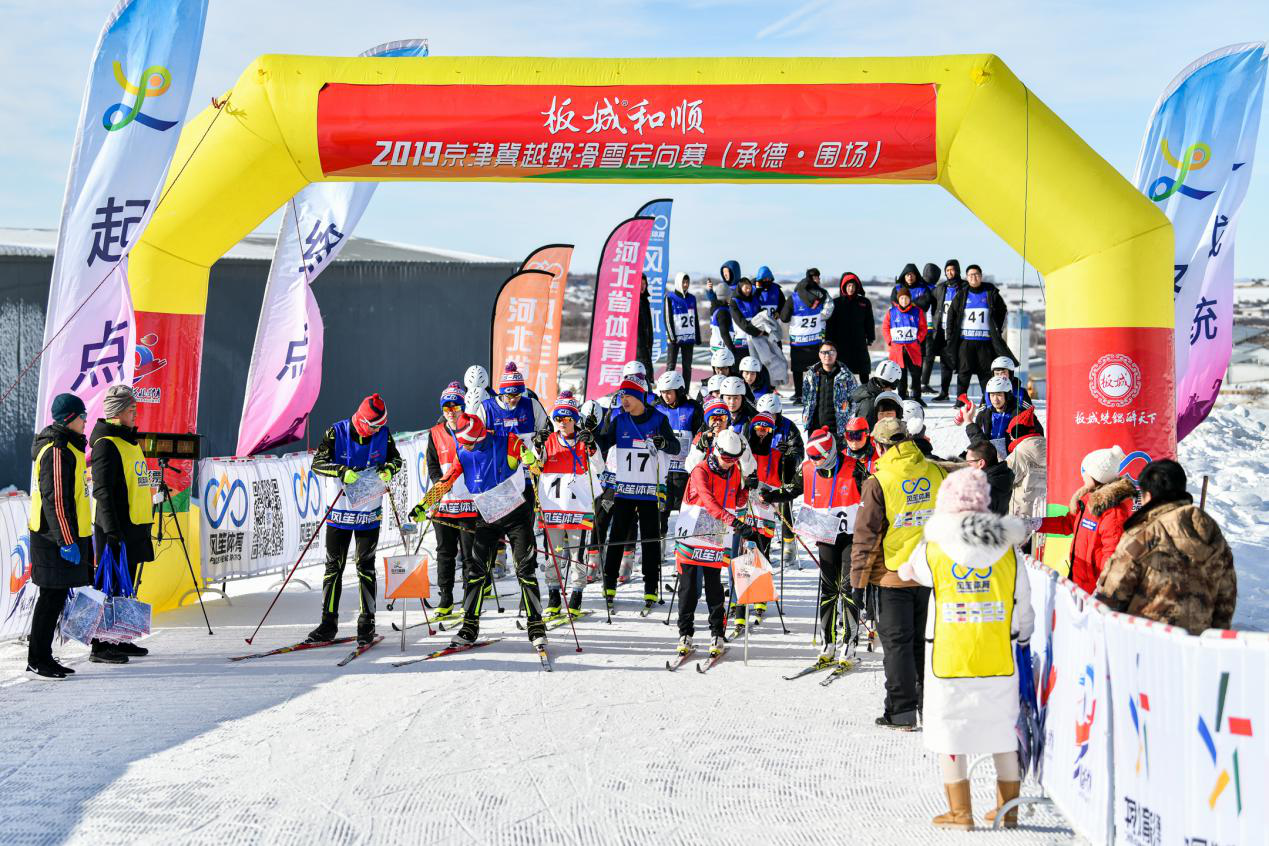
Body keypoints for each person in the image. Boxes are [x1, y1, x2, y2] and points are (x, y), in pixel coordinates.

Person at [898, 467, 1034, 830]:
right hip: (999, 655)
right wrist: (1023, 636)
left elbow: (913, 571)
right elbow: (1023, 601)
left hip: (950, 656)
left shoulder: (935, 549)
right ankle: (1008, 810)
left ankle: (960, 812)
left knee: (950, 732)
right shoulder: (1009, 551)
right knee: (1003, 730)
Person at [851, 418, 947, 730]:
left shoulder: (878, 481)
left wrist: (857, 583)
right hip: (931, 573)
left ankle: (901, 711)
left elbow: (866, 536)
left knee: (897, 646)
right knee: (924, 643)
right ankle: (930, 707)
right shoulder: (934, 471)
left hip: (892, 577)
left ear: (878, 446)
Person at [764, 426, 868, 666]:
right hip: (825, 535)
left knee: (848, 588)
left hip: (851, 536)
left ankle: (849, 641)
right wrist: (772, 496)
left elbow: (872, 495)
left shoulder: (854, 468)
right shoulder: (808, 468)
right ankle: (828, 642)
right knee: (829, 589)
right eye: (811, 457)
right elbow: (793, 489)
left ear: (830, 452)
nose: (814, 461)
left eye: (818, 457)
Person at [1096, 459, 1236, 634]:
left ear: (1148, 496)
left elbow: (1112, 595)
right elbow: (1226, 601)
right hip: (1196, 644)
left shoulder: (1143, 535)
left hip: (1145, 640)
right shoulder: (1214, 537)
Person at [308, 393, 403, 646]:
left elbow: (396, 460)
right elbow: (317, 463)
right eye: (374, 426)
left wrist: (389, 469)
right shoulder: (335, 432)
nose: (378, 430)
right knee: (334, 567)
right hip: (339, 512)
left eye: (381, 425)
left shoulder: (384, 434)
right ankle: (328, 623)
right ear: (362, 421)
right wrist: (340, 470)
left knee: (365, 566)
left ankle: (367, 622)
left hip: (369, 513)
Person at [446, 413, 547, 648]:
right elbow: (446, 480)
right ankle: (469, 626)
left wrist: (531, 460)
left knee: (525, 569)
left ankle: (536, 624)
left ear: (479, 436)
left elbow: (536, 468)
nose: (464, 446)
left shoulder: (508, 441)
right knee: (476, 571)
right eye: (462, 442)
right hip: (488, 517)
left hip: (516, 516)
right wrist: (424, 505)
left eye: (468, 442)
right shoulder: (463, 452)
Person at [594, 372, 681, 613]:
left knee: (650, 540)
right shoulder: (619, 420)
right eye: (622, 396)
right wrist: (592, 434)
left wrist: (664, 443)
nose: (624, 400)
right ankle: (609, 584)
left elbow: (675, 448)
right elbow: (603, 444)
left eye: (629, 396)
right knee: (617, 538)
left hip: (649, 491)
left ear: (640, 397)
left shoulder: (659, 419)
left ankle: (650, 587)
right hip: (625, 490)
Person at [27, 393, 94, 678]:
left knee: (54, 597)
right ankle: (38, 659)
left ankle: (43, 656)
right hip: (52, 538)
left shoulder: (70, 447)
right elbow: (55, 500)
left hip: (62, 535)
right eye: (82, 416)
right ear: (70, 419)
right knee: (50, 598)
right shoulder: (57, 449)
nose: (85, 421)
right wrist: (66, 540)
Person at [674, 428, 757, 658]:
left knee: (714, 587)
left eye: (735, 458)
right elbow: (710, 503)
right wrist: (735, 522)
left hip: (717, 532)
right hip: (692, 532)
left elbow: (736, 500)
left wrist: (747, 487)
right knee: (688, 587)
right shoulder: (700, 471)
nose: (730, 462)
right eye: (727, 457)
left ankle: (717, 634)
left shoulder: (734, 470)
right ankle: (685, 633)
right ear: (716, 450)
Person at [89, 384, 156, 663]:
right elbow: (102, 490)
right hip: (115, 529)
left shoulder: (129, 441)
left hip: (134, 526)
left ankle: (120, 637)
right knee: (110, 586)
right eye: (131, 409)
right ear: (117, 412)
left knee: (127, 585)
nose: (135, 413)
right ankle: (100, 645)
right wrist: (112, 530)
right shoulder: (106, 444)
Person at [536, 391, 604, 618]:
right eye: (558, 418)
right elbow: (534, 466)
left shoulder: (584, 440)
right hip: (553, 509)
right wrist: (537, 446)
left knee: (577, 556)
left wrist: (592, 445)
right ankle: (554, 596)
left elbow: (600, 468)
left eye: (567, 418)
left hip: (578, 510)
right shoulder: (549, 440)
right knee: (553, 555)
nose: (562, 423)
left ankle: (576, 596)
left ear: (575, 419)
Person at [1037, 446, 1137, 593]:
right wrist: (1037, 524)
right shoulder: (1087, 500)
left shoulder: (1113, 511)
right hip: (1077, 581)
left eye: (1085, 471)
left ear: (1094, 476)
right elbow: (1068, 524)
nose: (1083, 475)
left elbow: (1112, 554)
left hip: (1093, 589)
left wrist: (1103, 587)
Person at [424, 382, 479, 618]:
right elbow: (432, 465)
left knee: (469, 554)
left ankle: (469, 599)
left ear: (463, 407)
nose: (451, 411)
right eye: (447, 407)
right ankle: (445, 598)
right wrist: (441, 484)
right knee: (444, 553)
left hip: (468, 503)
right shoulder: (435, 432)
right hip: (444, 503)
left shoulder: (473, 429)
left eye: (456, 406)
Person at [945, 264, 1013, 400]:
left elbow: (1002, 310)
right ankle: (961, 401)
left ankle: (987, 401)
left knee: (986, 373)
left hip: (985, 342)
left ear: (981, 276)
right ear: (967, 277)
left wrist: (996, 328)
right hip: (966, 341)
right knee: (964, 372)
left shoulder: (990, 293)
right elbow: (951, 315)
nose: (973, 277)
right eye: (970, 275)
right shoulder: (962, 294)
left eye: (976, 274)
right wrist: (950, 335)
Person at [653, 371, 704, 538]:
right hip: (663, 468)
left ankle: (684, 541)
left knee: (686, 509)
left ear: (679, 390)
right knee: (661, 510)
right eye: (663, 392)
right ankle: (659, 542)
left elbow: (699, 435)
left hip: (685, 469)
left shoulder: (693, 408)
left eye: (669, 392)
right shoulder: (656, 408)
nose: (665, 396)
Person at [783, 267, 833, 401]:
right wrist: (820, 317)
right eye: (817, 277)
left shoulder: (794, 297)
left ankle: (799, 394)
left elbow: (784, 318)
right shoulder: (822, 294)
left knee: (797, 368)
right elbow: (829, 309)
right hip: (815, 338)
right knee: (816, 368)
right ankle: (816, 394)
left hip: (798, 340)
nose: (818, 280)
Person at [802, 340, 860, 439]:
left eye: (831, 352)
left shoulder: (846, 376)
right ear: (819, 354)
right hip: (814, 428)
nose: (827, 355)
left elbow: (855, 400)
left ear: (836, 354)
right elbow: (805, 398)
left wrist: (845, 417)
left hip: (838, 430)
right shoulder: (811, 375)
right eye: (824, 352)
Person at [825, 272, 875, 386]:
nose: (851, 288)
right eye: (848, 286)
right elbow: (830, 324)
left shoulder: (864, 302)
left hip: (859, 340)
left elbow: (869, 321)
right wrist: (829, 341)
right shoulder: (836, 303)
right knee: (841, 370)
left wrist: (870, 336)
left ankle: (866, 391)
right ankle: (841, 391)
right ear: (844, 287)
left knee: (863, 369)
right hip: (841, 342)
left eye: (853, 286)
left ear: (857, 287)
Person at [685, 399, 757, 477]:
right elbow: (690, 468)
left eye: (722, 418)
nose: (718, 422)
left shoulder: (737, 437)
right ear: (707, 421)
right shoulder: (701, 437)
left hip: (730, 482)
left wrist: (743, 452)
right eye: (713, 418)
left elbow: (750, 470)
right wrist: (700, 449)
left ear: (727, 420)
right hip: (706, 482)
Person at [882, 285, 928, 403]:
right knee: (900, 374)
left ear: (909, 299)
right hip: (897, 349)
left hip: (913, 348)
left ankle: (917, 397)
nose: (904, 300)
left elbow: (923, 328)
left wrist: (918, 339)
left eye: (906, 298)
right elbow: (885, 328)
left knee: (916, 374)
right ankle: (902, 396)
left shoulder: (917, 311)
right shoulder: (891, 312)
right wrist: (889, 340)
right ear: (898, 299)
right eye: (901, 298)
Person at [1005, 409, 1047, 532]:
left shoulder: (1021, 452)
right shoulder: (1049, 447)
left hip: (1019, 516)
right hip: (1043, 515)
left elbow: (1004, 479)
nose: (1010, 437)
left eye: (1011, 433)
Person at [928, 259, 963, 402]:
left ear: (957, 271)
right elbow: (928, 300)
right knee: (945, 363)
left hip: (959, 332)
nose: (949, 272)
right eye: (947, 270)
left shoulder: (964, 287)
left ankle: (962, 396)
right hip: (942, 331)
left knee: (962, 364)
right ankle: (944, 392)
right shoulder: (941, 288)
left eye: (952, 270)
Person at [963, 375, 1017, 458]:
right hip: (988, 457)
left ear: (1007, 395)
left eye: (999, 395)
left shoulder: (1017, 414)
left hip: (1012, 458)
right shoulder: (984, 414)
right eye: (992, 395)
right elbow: (977, 439)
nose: (995, 399)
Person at [664, 272, 700, 386]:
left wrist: (698, 336)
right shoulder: (670, 297)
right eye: (683, 282)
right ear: (678, 282)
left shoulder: (692, 298)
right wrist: (672, 337)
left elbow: (695, 318)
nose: (685, 284)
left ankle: (685, 391)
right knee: (671, 365)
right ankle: (667, 388)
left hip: (689, 338)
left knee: (687, 366)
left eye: (687, 282)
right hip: (674, 339)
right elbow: (667, 319)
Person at [965, 440, 1014, 516]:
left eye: (969, 462)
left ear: (981, 463)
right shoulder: (1003, 475)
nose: (966, 465)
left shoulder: (983, 490)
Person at [849, 360, 902, 429]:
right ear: (893, 384)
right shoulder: (871, 404)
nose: (892, 390)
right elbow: (866, 431)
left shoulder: (866, 387)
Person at [916, 263, 942, 393]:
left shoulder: (917, 287)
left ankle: (918, 383)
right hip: (929, 326)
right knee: (928, 357)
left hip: (919, 326)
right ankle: (923, 383)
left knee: (921, 356)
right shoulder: (935, 289)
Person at [728, 277, 765, 353]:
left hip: (757, 342)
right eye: (746, 288)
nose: (748, 290)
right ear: (740, 288)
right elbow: (741, 322)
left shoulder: (754, 299)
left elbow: (761, 317)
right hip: (741, 343)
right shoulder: (734, 302)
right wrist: (757, 332)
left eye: (750, 288)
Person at [708, 281, 739, 362]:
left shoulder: (716, 308)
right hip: (722, 350)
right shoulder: (723, 312)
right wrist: (733, 350)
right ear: (726, 296)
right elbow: (724, 333)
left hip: (715, 348)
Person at [636, 273, 655, 380]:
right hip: (638, 347)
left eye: (644, 283)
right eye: (640, 283)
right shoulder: (634, 302)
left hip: (647, 345)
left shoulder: (645, 301)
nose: (642, 286)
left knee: (646, 374)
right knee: (643, 375)